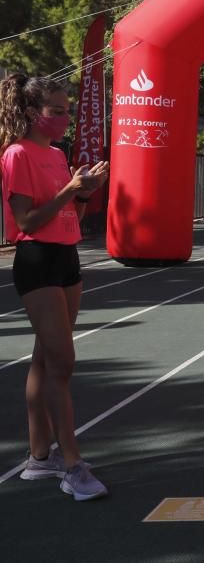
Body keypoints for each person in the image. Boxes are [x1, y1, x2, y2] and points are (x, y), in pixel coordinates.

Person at [1, 74, 109, 500]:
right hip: (37, 261)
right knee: (63, 362)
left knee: (45, 358)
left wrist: (83, 194)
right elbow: (25, 222)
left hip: (67, 257)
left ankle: (39, 458)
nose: (65, 119)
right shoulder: (16, 155)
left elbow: (67, 216)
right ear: (31, 114)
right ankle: (72, 465)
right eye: (56, 112)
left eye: (68, 111)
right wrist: (70, 189)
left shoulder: (59, 154)